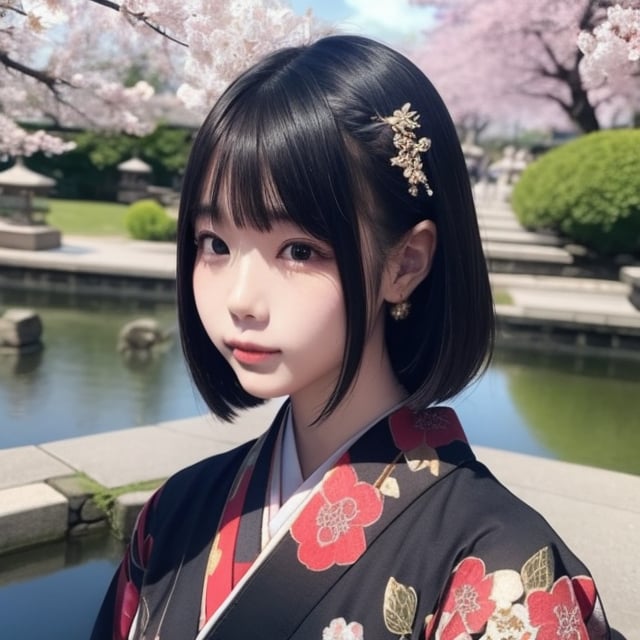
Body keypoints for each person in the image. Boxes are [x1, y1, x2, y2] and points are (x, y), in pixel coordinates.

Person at [92, 35, 611, 640]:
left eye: (299, 249)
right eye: (215, 244)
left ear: (404, 264)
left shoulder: (503, 573)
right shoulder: (176, 512)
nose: (239, 299)